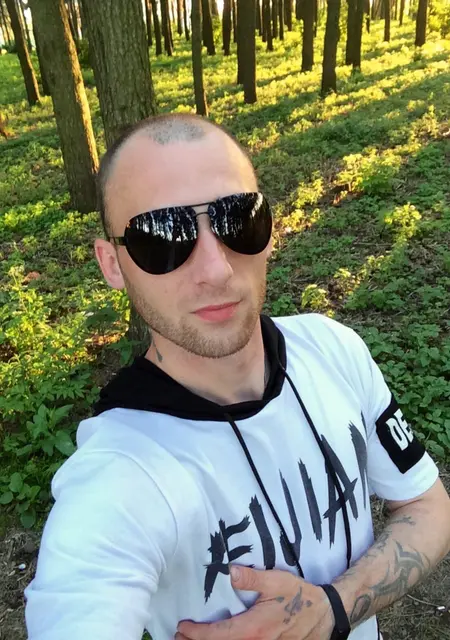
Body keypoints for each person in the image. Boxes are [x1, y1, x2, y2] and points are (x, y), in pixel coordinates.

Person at [25, 114, 450, 640]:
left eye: (238, 221)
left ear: (270, 230)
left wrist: (334, 609)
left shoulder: (333, 348)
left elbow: (426, 503)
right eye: (162, 237)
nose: (216, 269)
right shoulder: (119, 475)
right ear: (112, 264)